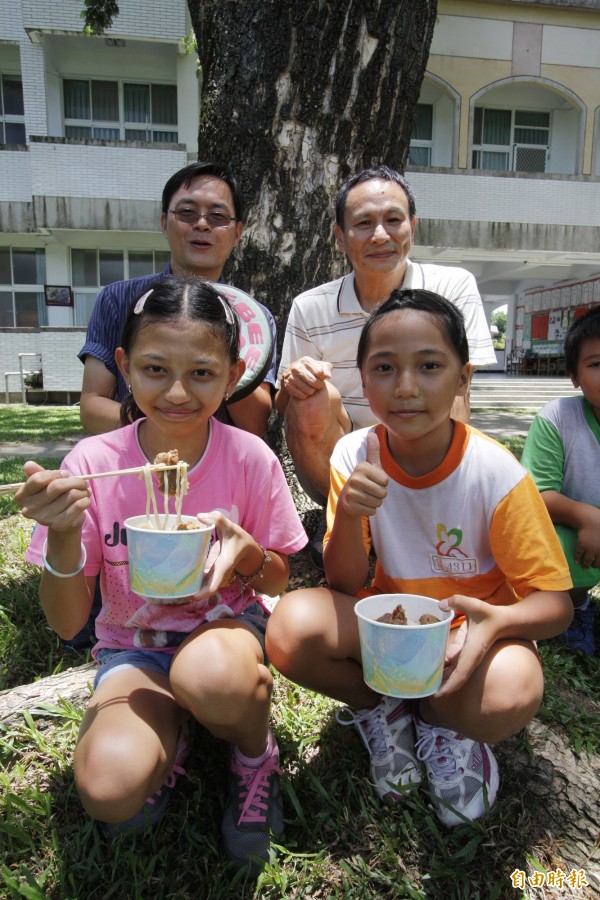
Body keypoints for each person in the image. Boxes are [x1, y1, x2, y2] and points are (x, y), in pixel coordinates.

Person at [16, 278, 307, 872]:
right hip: (134, 650)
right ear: (123, 367)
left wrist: (249, 555)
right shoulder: (94, 466)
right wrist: (65, 534)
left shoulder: (250, 459)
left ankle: (254, 757)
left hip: (224, 634)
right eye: (154, 369)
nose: (177, 392)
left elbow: (277, 580)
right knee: (109, 790)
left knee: (214, 678)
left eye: (202, 373)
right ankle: (172, 733)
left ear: (232, 375)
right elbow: (67, 621)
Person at [266, 289, 572, 828]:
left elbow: (556, 605)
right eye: (384, 368)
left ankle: (438, 723)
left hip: (466, 637)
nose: (405, 387)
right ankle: (382, 707)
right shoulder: (354, 454)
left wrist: (497, 621)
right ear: (362, 381)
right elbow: (343, 582)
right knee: (290, 627)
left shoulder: (495, 474)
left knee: (513, 689)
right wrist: (355, 514)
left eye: (429, 366)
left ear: (463, 378)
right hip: (389, 629)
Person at [276, 165, 496, 567]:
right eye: (363, 223)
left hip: (425, 440)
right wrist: (294, 381)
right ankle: (346, 522)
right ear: (340, 238)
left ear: (412, 225)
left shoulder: (453, 286)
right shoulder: (310, 307)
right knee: (310, 396)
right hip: (348, 452)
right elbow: (284, 410)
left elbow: (460, 388)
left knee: (446, 388)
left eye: (393, 220)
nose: (380, 235)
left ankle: (439, 509)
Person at [79, 161, 276, 439]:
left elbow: (255, 424)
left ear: (238, 232)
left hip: (218, 469)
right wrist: (166, 425)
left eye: (218, 216)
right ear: (164, 222)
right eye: (187, 213)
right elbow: (91, 407)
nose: (202, 224)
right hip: (137, 466)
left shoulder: (254, 318)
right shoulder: (117, 299)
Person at [521, 306, 600, 655]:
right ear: (574, 376)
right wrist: (588, 517)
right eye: (596, 364)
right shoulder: (558, 418)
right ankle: (575, 607)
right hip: (576, 531)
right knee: (552, 538)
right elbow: (537, 493)